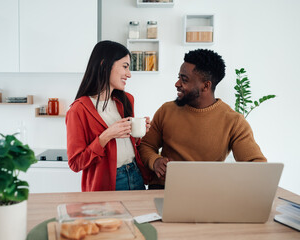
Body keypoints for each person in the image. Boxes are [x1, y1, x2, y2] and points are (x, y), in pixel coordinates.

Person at [138, 49, 267, 189]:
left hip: (206, 192)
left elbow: (256, 166)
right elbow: (146, 146)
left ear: (206, 86)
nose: (177, 83)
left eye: (184, 79)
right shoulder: (166, 110)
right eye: (179, 77)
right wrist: (155, 161)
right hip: (164, 189)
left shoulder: (233, 121)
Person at [66, 40, 151, 192]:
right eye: (125, 66)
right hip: (109, 183)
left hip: (135, 175)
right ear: (104, 64)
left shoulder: (127, 100)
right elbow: (76, 163)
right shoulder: (78, 110)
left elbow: (128, 145)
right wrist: (106, 137)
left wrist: (138, 134)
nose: (129, 74)